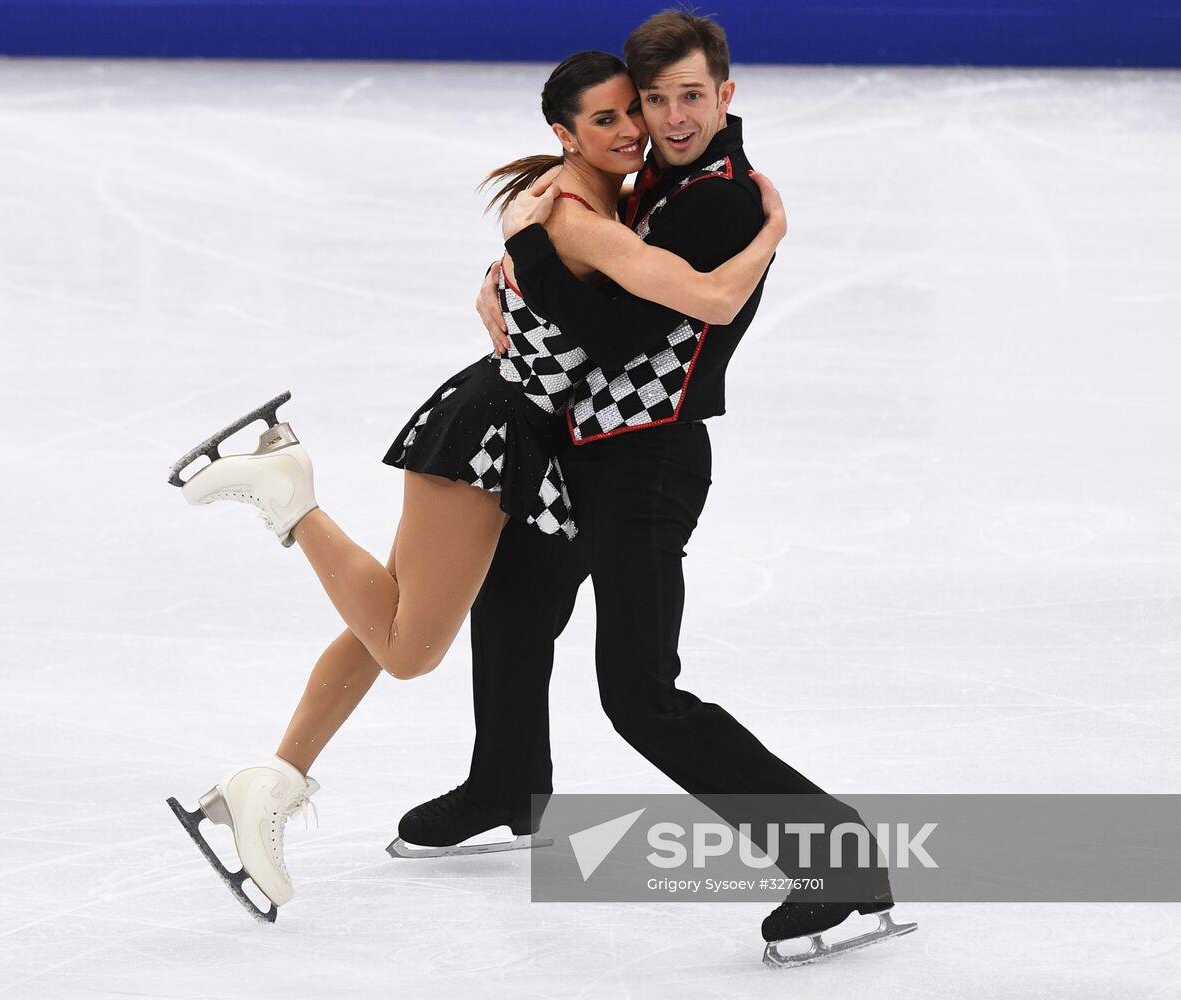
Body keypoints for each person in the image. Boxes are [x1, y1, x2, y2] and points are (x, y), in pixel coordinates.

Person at [166, 49, 789, 920]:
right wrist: (766, 235)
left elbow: (589, 303)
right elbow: (656, 318)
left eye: (633, 112)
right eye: (610, 116)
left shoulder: (636, 193)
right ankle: (290, 498)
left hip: (544, 437)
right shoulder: (566, 211)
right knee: (409, 643)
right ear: (563, 134)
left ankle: (305, 779)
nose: (635, 128)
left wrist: (512, 275)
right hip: (495, 431)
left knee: (441, 613)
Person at [397, 10, 912, 963]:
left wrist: (525, 252)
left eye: (689, 97)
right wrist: (509, 258)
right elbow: (587, 243)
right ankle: (506, 780)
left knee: (640, 693)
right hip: (584, 447)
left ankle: (838, 857)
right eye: (653, 101)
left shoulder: (719, 200)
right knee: (512, 611)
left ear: (727, 92)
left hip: (650, 460)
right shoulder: (660, 181)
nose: (669, 120)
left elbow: (610, 332)